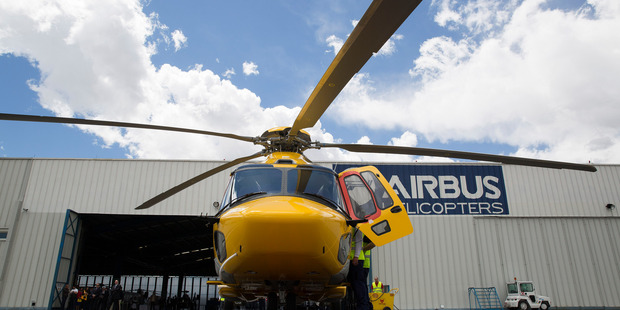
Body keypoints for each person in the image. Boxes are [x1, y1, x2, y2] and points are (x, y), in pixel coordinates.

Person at [347, 228, 371, 310]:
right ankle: (364, 305)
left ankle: (363, 306)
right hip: (352, 258)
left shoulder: (356, 227)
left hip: (356, 259)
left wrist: (356, 256)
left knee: (358, 284)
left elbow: (358, 240)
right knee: (357, 284)